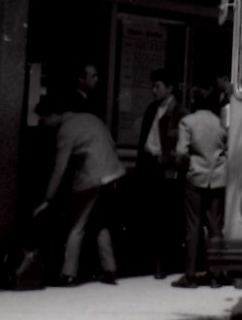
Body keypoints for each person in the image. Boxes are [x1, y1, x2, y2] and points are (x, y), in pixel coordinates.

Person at [33, 94, 125, 286]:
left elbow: (59, 168)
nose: (43, 123)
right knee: (100, 222)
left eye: (43, 119)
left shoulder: (66, 131)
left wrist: (47, 199)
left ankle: (68, 274)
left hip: (92, 177)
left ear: (53, 115)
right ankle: (109, 269)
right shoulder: (91, 118)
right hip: (114, 173)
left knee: (76, 224)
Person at [172, 87, 227, 288]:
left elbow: (181, 153)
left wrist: (184, 167)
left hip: (196, 178)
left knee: (193, 226)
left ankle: (191, 275)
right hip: (219, 178)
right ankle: (216, 276)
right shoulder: (221, 122)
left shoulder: (188, 122)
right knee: (215, 228)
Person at [137, 68, 185, 279]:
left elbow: (180, 147)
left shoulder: (180, 113)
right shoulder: (151, 109)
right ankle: (151, 261)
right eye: (153, 86)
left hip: (167, 169)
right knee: (151, 215)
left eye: (157, 86)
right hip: (150, 165)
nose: (153, 90)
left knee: (166, 217)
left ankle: (164, 263)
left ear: (170, 88)